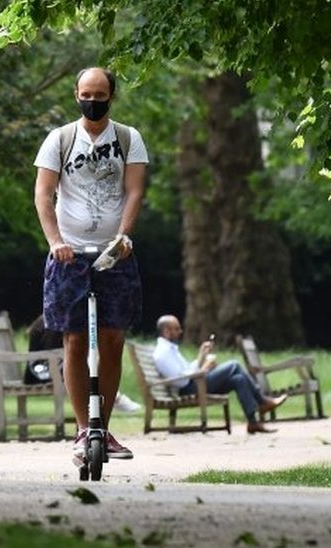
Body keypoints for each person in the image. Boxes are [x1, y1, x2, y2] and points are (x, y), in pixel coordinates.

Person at [33, 67, 148, 465]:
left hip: (114, 255)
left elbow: (134, 191)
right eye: (86, 94)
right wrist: (56, 242)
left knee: (113, 340)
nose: (93, 101)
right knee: (76, 342)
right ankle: (84, 429)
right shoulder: (59, 139)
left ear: (111, 96)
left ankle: (104, 428)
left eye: (100, 94)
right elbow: (43, 196)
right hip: (69, 256)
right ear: (75, 94)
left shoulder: (129, 139)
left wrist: (125, 235)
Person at [152, 315, 287, 434]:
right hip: (191, 388)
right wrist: (204, 369)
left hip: (195, 382)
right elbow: (181, 381)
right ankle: (262, 402)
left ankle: (253, 422)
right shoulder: (162, 353)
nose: (180, 332)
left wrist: (202, 356)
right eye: (177, 329)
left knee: (238, 379)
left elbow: (186, 370)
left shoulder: (170, 349)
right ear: (166, 331)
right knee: (234, 365)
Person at [26, 315, 142, 413]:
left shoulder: (48, 322)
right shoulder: (52, 325)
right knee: (83, 362)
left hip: (45, 371)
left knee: (86, 361)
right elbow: (48, 356)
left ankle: (114, 398)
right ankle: (115, 398)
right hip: (42, 375)